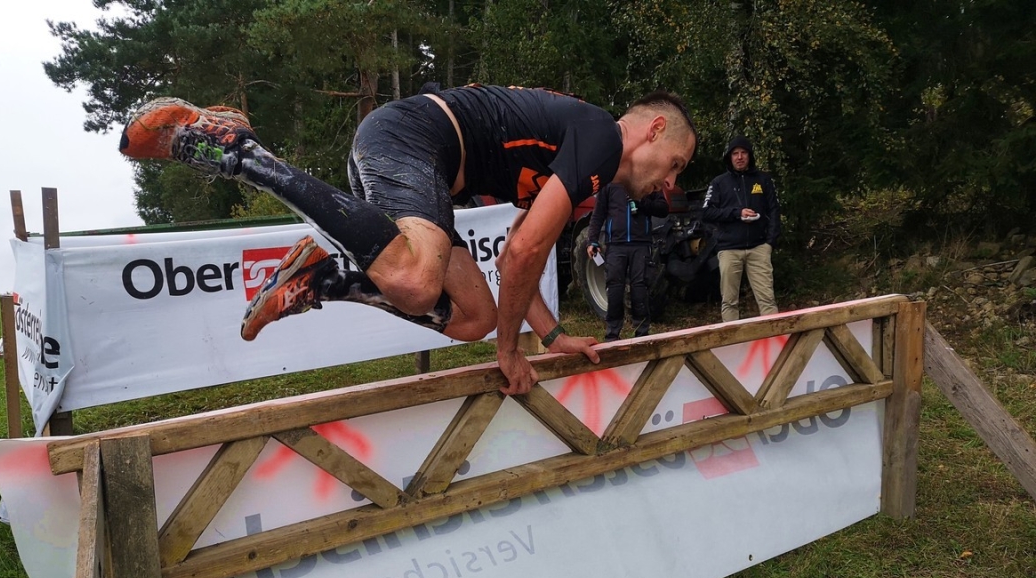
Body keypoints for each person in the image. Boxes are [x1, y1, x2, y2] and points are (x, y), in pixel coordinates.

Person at [118, 85, 697, 394]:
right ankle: (241, 152)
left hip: (418, 163)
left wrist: (550, 336)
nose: (670, 184)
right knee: (419, 282)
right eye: (676, 164)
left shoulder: (578, 154)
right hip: (412, 139)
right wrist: (509, 351)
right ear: (653, 130)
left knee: (474, 317)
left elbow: (514, 256)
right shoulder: (601, 140)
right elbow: (525, 253)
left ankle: (326, 278)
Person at [701, 135, 780, 322]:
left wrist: (770, 242)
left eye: (743, 152)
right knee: (729, 301)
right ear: (729, 157)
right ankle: (731, 339)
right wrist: (736, 213)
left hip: (759, 247)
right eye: (735, 153)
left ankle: (777, 338)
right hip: (729, 249)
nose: (739, 157)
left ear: (749, 155)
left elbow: (775, 211)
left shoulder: (763, 180)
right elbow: (706, 213)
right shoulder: (719, 183)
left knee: (767, 300)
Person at [586, 184, 668, 340]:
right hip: (615, 245)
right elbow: (598, 214)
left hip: (641, 244)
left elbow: (663, 209)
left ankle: (642, 335)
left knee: (640, 289)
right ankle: (612, 335)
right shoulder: (610, 183)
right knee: (614, 289)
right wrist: (592, 241)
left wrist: (642, 202)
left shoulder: (647, 181)